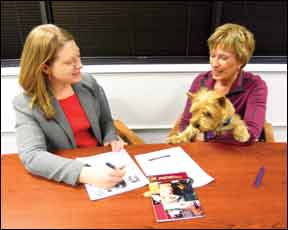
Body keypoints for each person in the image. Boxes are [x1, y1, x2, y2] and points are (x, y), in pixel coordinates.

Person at [13, 24, 126, 188]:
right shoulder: (25, 104)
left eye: (78, 57)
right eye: (69, 62)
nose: (79, 65)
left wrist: (110, 137)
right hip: (69, 173)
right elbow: (32, 156)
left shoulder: (88, 83)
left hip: (102, 161)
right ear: (45, 67)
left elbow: (106, 121)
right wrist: (84, 173)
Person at [177, 23, 267, 145]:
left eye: (223, 58)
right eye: (212, 56)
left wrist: (207, 136)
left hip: (237, 153)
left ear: (241, 60)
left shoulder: (255, 86)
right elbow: (186, 124)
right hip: (203, 150)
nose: (215, 63)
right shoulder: (201, 80)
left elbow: (250, 133)